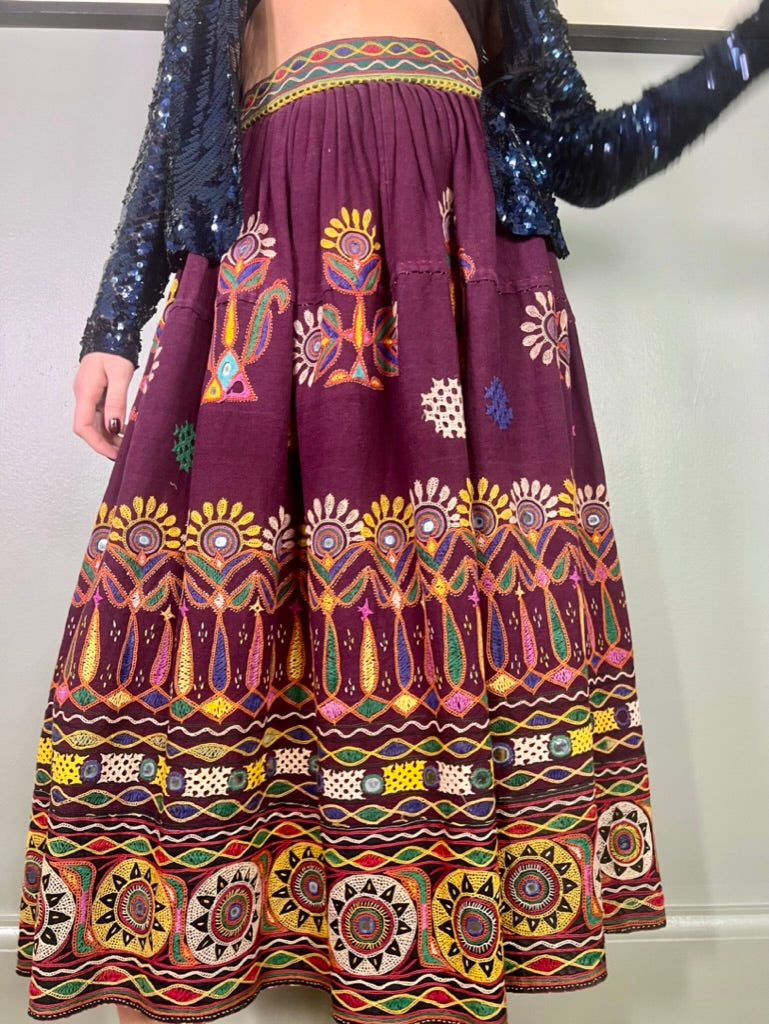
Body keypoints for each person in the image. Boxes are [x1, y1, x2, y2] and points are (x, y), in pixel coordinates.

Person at [16, 2, 768, 1023]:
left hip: (464, 334)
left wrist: (750, 46)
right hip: (271, 309)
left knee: (440, 643)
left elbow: (587, 157)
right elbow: (178, 139)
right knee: (232, 626)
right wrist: (112, 325)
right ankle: (225, 937)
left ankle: (421, 952)